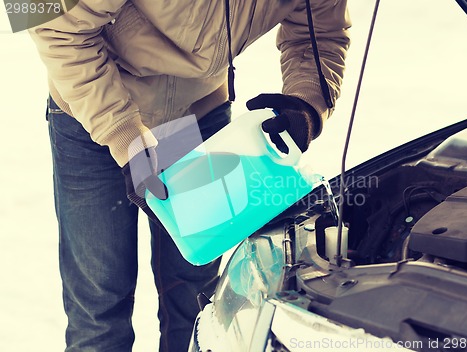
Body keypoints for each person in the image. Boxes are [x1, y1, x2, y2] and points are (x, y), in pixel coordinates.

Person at [29, 0, 350, 351]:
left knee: (194, 299)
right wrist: (123, 134)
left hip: (197, 116)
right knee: (99, 303)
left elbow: (319, 32)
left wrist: (306, 102)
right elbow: (49, 23)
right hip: (93, 110)